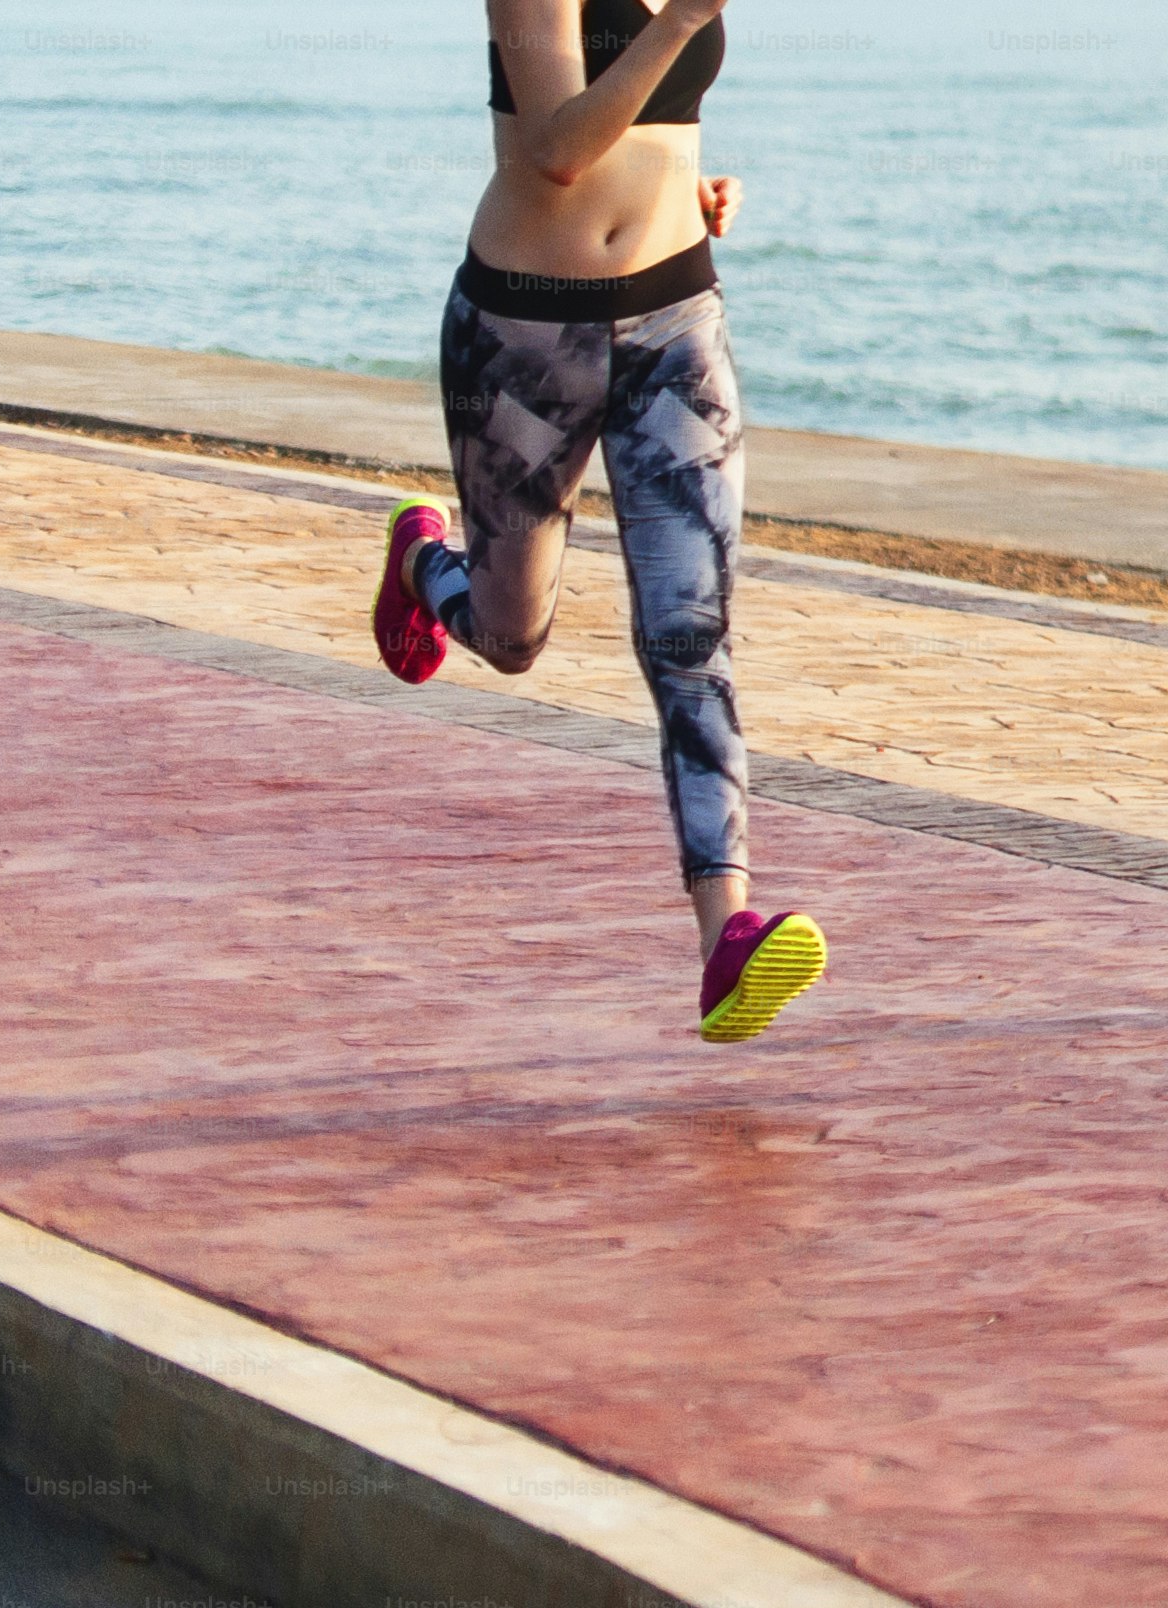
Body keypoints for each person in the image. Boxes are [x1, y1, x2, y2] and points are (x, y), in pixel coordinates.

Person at [370, 0, 824, 1043]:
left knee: (689, 634)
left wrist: (678, 182)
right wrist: (685, 19)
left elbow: (651, 119)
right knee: (510, 638)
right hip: (523, 335)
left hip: (678, 320)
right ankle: (426, 566)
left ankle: (728, 930)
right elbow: (558, 151)